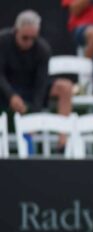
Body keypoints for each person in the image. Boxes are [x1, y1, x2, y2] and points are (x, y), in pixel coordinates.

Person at [0, 11, 74, 150]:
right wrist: (11, 96)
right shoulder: (3, 41)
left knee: (65, 87)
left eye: (33, 38)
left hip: (31, 89)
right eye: (25, 38)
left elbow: (41, 84)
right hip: (5, 89)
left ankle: (62, 144)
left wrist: (34, 113)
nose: (29, 42)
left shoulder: (42, 49)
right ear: (16, 31)